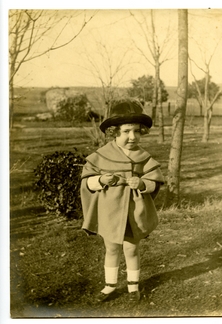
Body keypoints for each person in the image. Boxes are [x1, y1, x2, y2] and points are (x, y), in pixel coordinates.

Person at [80, 98, 164, 303]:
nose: (132, 137)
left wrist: (142, 184)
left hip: (133, 212)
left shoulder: (143, 157)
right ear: (114, 131)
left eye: (136, 131)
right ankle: (109, 286)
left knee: (131, 248)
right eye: (126, 131)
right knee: (111, 248)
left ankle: (133, 286)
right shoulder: (101, 156)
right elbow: (86, 183)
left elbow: (156, 182)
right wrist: (100, 179)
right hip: (110, 211)